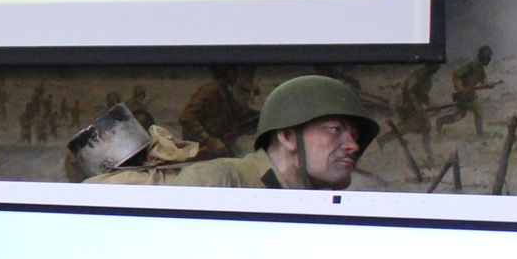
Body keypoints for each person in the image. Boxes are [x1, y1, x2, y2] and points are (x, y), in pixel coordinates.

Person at [92, 75, 380, 191]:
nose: (353, 146)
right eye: (335, 130)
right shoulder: (223, 181)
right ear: (288, 137)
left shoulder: (304, 202)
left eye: (354, 136)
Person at [178, 67, 258, 159]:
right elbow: (186, 117)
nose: (237, 76)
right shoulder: (209, 91)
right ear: (231, 75)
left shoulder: (228, 92)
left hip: (222, 144)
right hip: (202, 149)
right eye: (235, 72)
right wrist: (208, 140)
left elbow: (240, 113)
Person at [449, 44, 495, 138]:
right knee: (459, 116)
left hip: (471, 95)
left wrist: (488, 84)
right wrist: (460, 89)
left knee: (478, 111)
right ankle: (440, 121)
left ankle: (480, 134)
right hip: (463, 96)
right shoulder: (471, 66)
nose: (489, 60)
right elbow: (456, 76)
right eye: (488, 58)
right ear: (484, 58)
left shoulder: (480, 69)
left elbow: (483, 80)